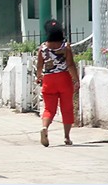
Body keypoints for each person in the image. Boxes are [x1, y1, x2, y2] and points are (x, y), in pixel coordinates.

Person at [36, 19, 80, 147]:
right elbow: (70, 65)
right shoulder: (65, 46)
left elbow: (39, 65)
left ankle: (45, 127)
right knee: (67, 109)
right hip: (64, 80)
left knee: (49, 108)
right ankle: (66, 137)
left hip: (48, 81)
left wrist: (39, 76)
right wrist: (76, 80)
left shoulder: (43, 47)